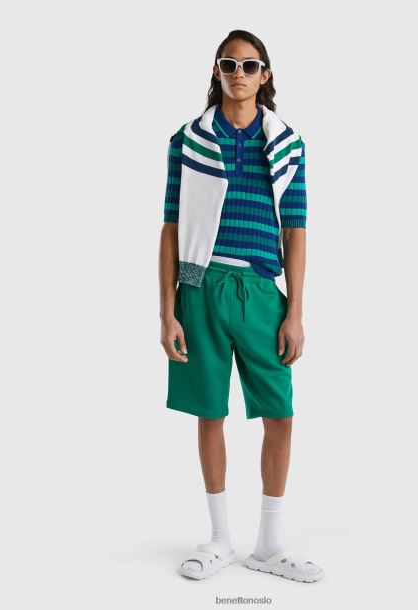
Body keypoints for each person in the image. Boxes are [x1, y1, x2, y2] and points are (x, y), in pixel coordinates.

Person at [158, 30, 323, 583]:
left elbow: (295, 229)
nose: (238, 73)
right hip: (199, 283)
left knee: (280, 411)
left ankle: (269, 545)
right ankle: (220, 540)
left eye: (249, 66)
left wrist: (295, 312)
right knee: (210, 410)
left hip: (260, 290)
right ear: (216, 71)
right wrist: (167, 310)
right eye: (228, 64)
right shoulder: (188, 140)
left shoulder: (288, 145)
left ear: (264, 75)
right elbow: (171, 225)